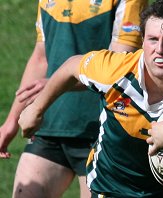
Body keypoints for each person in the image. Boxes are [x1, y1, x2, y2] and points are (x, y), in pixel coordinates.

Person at [18, 0, 163, 197]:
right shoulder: (117, 70)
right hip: (111, 189)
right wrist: (36, 109)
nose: (159, 50)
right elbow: (72, 66)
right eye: (153, 39)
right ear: (142, 39)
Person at [0, 0, 148, 197]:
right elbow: (40, 58)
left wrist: (56, 82)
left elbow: (116, 68)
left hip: (102, 133)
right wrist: (11, 121)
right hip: (49, 125)